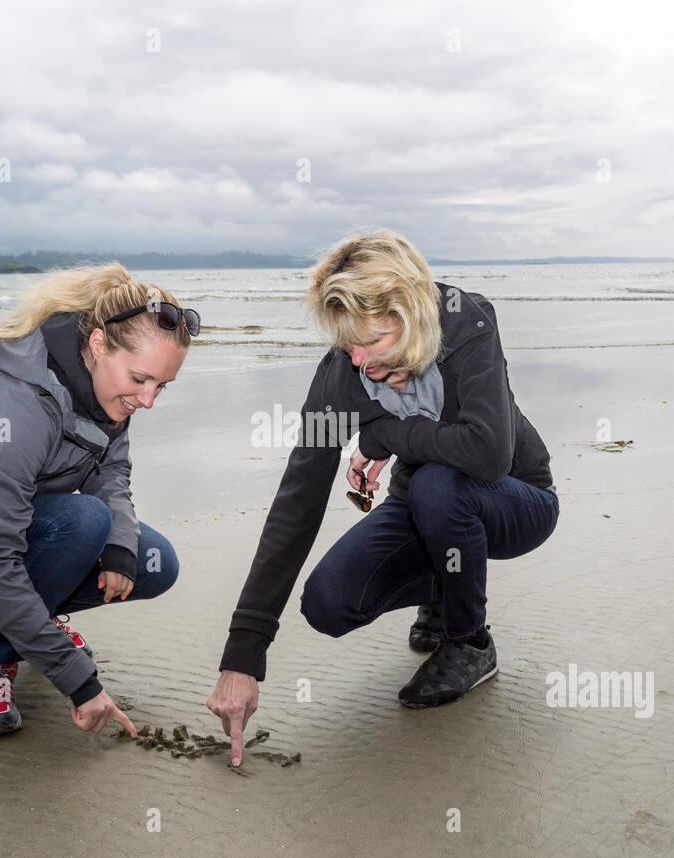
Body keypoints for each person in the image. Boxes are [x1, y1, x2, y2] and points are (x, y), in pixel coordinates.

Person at [207, 229, 558, 764]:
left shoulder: (467, 322)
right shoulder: (341, 379)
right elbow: (296, 502)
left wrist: (381, 435)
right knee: (328, 603)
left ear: (413, 311)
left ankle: (470, 642)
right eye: (348, 343)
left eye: (372, 342)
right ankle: (444, 585)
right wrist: (242, 656)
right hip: (422, 504)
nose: (358, 361)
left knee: (442, 484)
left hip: (517, 499)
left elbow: (488, 453)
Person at [0, 263, 197, 737]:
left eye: (161, 385)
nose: (149, 399)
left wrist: (120, 546)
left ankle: (32, 623)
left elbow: (110, 470)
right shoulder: (18, 404)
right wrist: (80, 682)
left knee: (153, 562)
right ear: (97, 345)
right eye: (140, 379)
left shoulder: (108, 389)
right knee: (84, 521)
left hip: (21, 527)